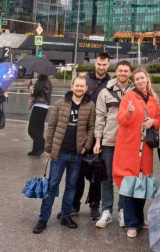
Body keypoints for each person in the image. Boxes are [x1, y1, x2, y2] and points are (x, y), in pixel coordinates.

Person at [32, 75, 95, 234]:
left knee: (71, 186)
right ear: (72, 87)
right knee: (52, 185)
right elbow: (51, 126)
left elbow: (91, 128)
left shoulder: (90, 105)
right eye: (77, 85)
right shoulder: (61, 103)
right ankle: (43, 218)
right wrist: (48, 148)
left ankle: (66, 216)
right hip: (60, 152)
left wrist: (86, 146)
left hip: (77, 154)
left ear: (86, 88)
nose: (79, 88)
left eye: (82, 86)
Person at [112, 67, 160, 238]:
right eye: (137, 79)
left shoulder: (154, 99)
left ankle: (139, 219)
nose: (140, 81)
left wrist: (153, 122)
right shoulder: (129, 96)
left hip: (145, 149)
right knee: (128, 184)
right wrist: (129, 113)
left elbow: (159, 119)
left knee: (142, 183)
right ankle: (131, 223)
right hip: (129, 146)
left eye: (142, 78)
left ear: (147, 79)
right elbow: (120, 120)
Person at [93, 60, 134, 229]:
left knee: (125, 179)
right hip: (109, 141)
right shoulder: (105, 91)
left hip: (128, 143)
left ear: (129, 73)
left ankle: (122, 210)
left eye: (126, 71)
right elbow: (100, 117)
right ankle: (107, 211)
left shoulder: (135, 91)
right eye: (120, 70)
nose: (123, 73)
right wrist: (98, 140)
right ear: (116, 72)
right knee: (107, 178)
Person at [71, 52, 111, 220]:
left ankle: (94, 204)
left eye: (104, 65)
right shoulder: (86, 79)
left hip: (99, 133)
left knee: (96, 171)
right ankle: (75, 204)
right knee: (77, 171)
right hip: (81, 131)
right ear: (95, 64)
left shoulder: (110, 83)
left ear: (108, 65)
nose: (101, 67)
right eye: (99, 64)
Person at [27, 74, 52, 156]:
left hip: (39, 106)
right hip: (44, 106)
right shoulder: (46, 80)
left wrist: (30, 86)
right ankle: (36, 150)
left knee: (31, 129)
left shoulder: (42, 80)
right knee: (39, 129)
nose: (37, 73)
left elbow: (35, 93)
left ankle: (41, 143)